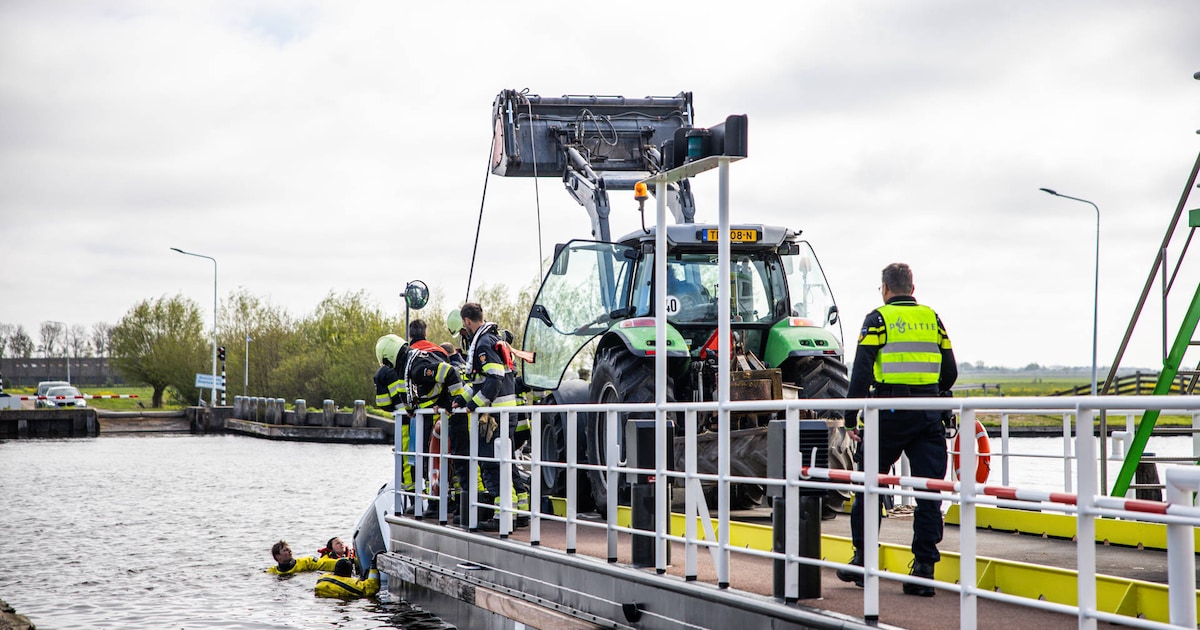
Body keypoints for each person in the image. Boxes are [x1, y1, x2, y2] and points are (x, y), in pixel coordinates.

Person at [835, 263, 957, 597]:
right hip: (929, 415)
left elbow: (860, 376)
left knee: (868, 485)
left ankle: (864, 562)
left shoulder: (877, 319)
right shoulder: (932, 319)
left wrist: (849, 420)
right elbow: (950, 374)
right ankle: (923, 571)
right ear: (912, 290)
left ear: (885, 289)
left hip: (887, 414)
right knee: (929, 493)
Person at [452, 302, 529, 529]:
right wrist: (460, 399)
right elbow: (479, 382)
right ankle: (519, 511)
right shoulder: (494, 339)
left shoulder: (483, 343)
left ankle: (501, 517)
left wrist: (473, 406)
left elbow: (493, 379)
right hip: (505, 413)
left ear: (466, 321)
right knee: (506, 462)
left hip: (494, 416)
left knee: (491, 465)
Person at [401, 319, 468, 519]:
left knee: (426, 460)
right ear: (426, 332)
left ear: (410, 335)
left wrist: (410, 408)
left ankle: (433, 502)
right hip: (444, 412)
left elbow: (406, 388)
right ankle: (452, 501)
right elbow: (448, 378)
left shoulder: (410, 355)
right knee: (450, 459)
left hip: (423, 416)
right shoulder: (439, 351)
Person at [374, 333, 417, 510]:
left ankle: (412, 501)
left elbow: (383, 403)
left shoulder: (382, 374)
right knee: (424, 459)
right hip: (420, 418)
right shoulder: (411, 362)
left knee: (406, 463)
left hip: (403, 421)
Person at [314, 558, 380, 599]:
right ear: (349, 571)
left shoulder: (323, 577)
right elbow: (370, 588)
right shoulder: (351, 583)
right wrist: (373, 569)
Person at [266, 540, 338, 575]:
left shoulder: (307, 562)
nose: (290, 551)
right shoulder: (272, 571)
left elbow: (324, 563)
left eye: (289, 549)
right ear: (278, 556)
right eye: (285, 550)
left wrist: (343, 562)